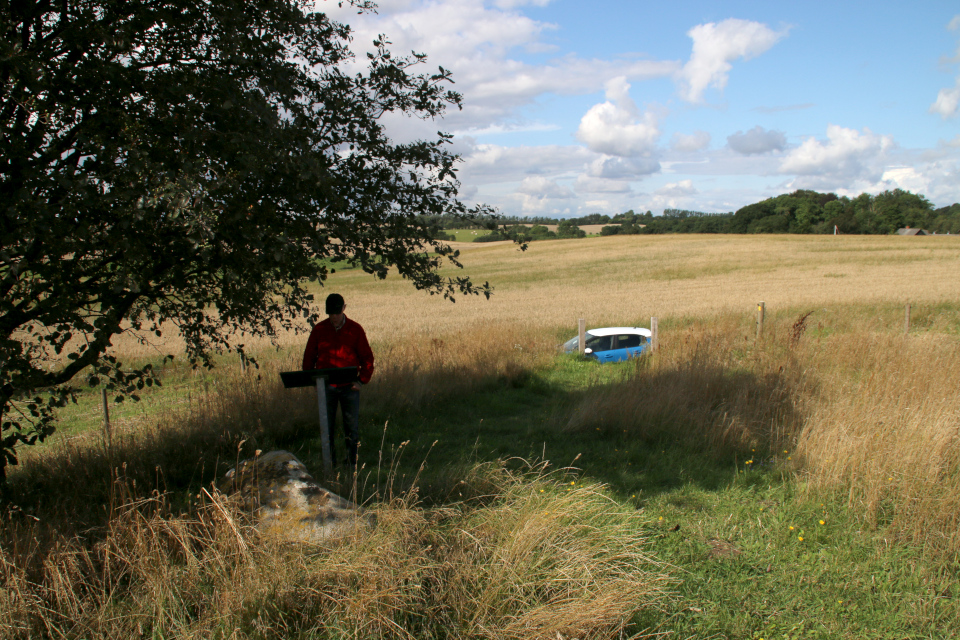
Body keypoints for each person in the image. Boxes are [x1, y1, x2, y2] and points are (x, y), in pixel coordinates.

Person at [302, 293, 374, 467]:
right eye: (330, 314)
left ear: (344, 308)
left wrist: (362, 380)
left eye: (336, 313)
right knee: (326, 429)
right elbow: (309, 357)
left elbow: (367, 358)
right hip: (326, 387)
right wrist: (314, 382)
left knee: (352, 428)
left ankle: (351, 465)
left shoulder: (355, 329)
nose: (334, 317)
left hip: (350, 387)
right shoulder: (319, 330)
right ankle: (330, 465)